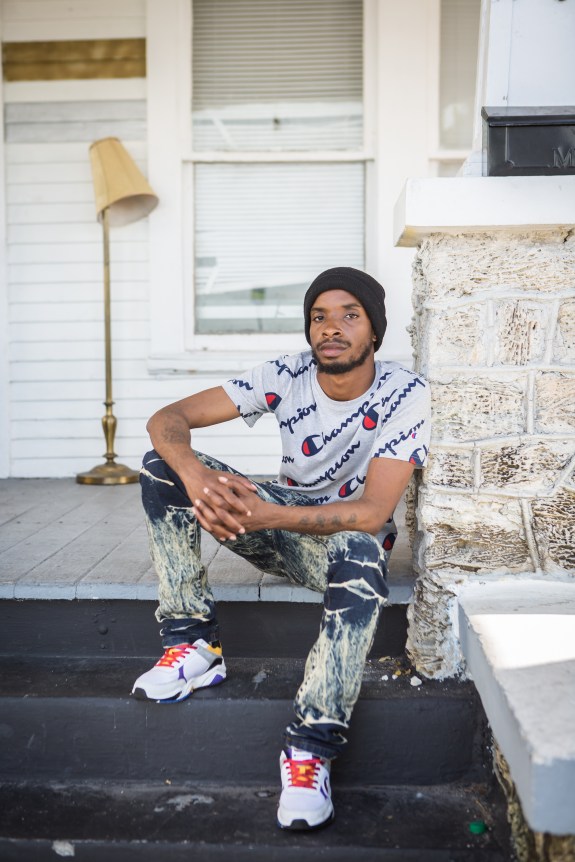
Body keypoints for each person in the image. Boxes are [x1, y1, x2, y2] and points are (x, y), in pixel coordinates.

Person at [133, 266, 431, 831]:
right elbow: (165, 419)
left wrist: (269, 513)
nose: (332, 328)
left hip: (337, 545)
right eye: (320, 316)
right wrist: (197, 476)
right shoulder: (287, 374)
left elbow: (371, 514)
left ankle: (310, 747)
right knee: (161, 467)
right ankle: (194, 644)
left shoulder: (404, 394)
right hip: (278, 522)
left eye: (350, 315)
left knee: (364, 550)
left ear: (375, 331)